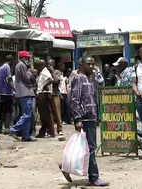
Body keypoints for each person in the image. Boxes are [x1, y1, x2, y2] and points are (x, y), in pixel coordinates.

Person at [60, 55, 109, 187]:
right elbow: (75, 100)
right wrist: (77, 118)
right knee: (91, 148)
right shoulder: (78, 78)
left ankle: (65, 166)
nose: (92, 67)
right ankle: (94, 177)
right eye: (89, 64)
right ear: (80, 64)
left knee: (84, 147)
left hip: (91, 117)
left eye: (93, 64)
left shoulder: (88, 78)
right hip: (85, 118)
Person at [10, 51, 36, 142]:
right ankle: (14, 129)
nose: (29, 60)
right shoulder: (22, 65)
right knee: (27, 114)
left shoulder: (20, 65)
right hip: (25, 92)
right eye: (28, 58)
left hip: (25, 92)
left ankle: (26, 135)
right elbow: (27, 78)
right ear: (24, 58)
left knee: (28, 115)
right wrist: (30, 72)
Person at [35, 59, 55, 138]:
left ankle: (51, 132)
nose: (37, 67)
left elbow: (51, 80)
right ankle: (42, 132)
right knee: (43, 115)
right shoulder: (42, 72)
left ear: (42, 65)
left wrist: (43, 86)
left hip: (44, 95)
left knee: (47, 115)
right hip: (41, 95)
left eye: (38, 65)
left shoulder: (45, 72)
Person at [0, 55, 15, 134]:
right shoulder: (7, 67)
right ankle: (7, 127)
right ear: (11, 60)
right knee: (8, 110)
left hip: (0, 92)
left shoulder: (0, 68)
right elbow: (9, 79)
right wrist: (14, 89)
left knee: (1, 111)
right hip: (7, 92)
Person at [48, 59, 63, 136]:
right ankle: (50, 130)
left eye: (50, 64)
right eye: (48, 64)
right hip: (47, 94)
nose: (49, 65)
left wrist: (52, 71)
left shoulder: (57, 72)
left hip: (55, 94)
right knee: (48, 113)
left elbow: (56, 81)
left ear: (53, 65)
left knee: (57, 113)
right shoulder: (45, 72)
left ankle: (59, 129)